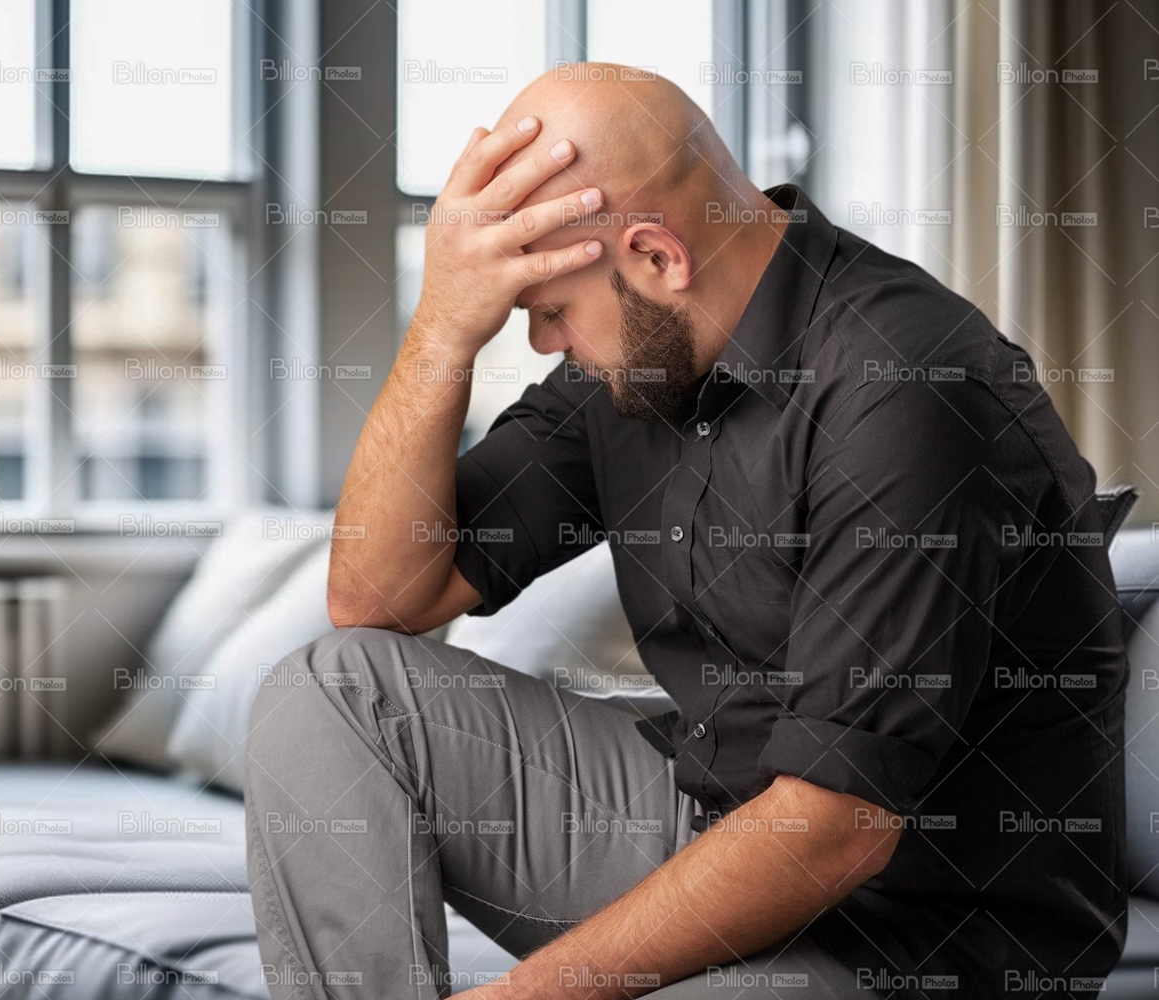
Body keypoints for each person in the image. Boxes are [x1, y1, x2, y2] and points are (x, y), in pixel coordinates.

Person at [245, 64, 1126, 1000]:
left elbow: (836, 829)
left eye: (552, 312)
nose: (543, 343)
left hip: (910, 940)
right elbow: (378, 597)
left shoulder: (907, 390)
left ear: (658, 258)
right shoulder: (644, 356)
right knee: (333, 690)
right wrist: (440, 330)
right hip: (713, 828)